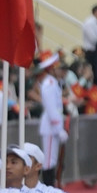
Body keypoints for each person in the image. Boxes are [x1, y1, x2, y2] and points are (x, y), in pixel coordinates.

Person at [36, 52, 67, 185]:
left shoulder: (54, 83)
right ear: (53, 69)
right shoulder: (49, 84)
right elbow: (51, 108)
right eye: (59, 69)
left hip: (54, 124)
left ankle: (51, 185)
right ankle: (48, 186)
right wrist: (58, 128)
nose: (62, 72)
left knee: (52, 159)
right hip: (50, 125)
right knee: (49, 159)